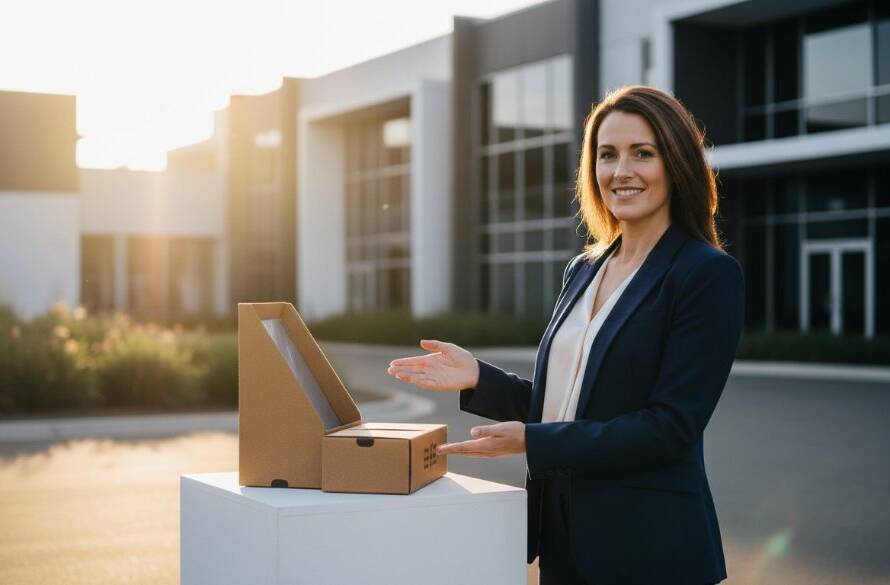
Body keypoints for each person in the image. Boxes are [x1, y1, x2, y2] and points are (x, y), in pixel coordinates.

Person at [387, 85, 744, 585]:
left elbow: (670, 429)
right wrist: (478, 380)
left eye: (643, 153)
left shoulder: (705, 273)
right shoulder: (584, 269)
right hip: (563, 540)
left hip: (651, 551)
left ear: (677, 162)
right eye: (606, 155)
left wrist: (533, 442)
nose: (621, 170)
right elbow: (570, 405)